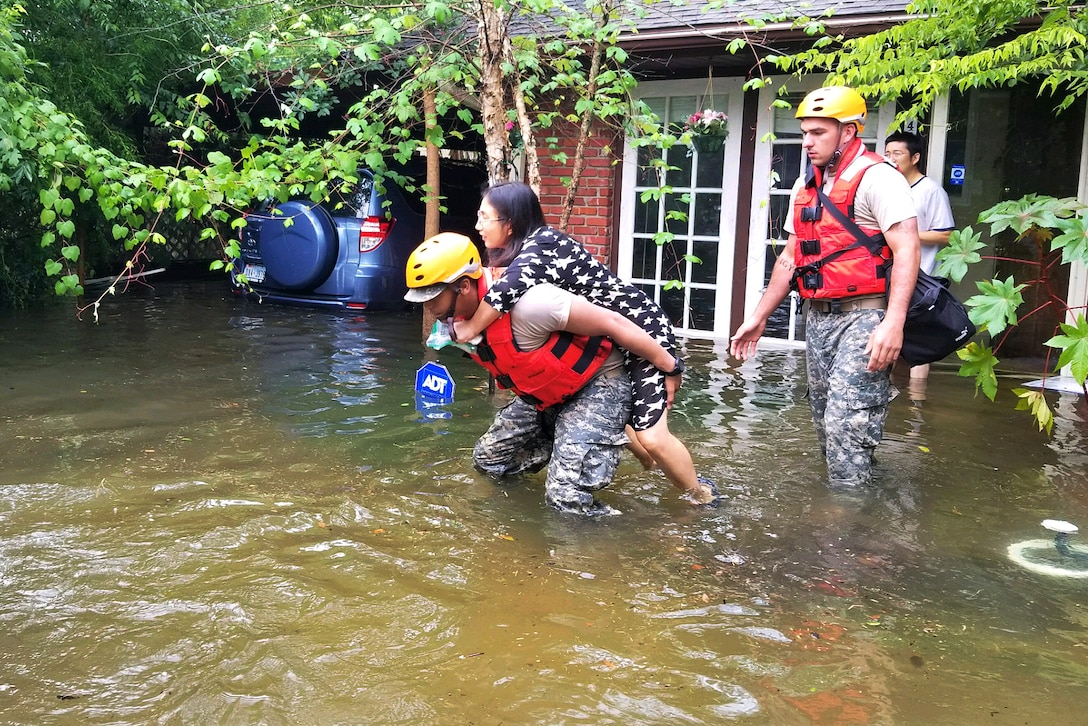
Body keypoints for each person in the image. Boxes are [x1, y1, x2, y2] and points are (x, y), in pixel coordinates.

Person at [404, 232, 720, 515]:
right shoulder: (457, 323)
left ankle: (640, 528)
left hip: (599, 386)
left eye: (433, 297)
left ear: (464, 286)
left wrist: (671, 365)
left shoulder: (532, 304)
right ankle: (521, 514)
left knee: (565, 496)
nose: (428, 307)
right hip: (548, 396)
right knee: (489, 461)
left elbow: (616, 323)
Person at [730, 86, 921, 489]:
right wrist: (758, 318)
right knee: (824, 426)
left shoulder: (878, 179)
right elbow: (790, 258)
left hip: (866, 316)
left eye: (818, 132)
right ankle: (853, 506)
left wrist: (894, 323)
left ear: (849, 132)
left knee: (847, 425)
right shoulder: (806, 188)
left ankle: (850, 529)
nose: (807, 141)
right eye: (804, 132)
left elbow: (907, 250)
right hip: (817, 319)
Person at [884, 130, 956, 383]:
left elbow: (946, 235)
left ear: (914, 157)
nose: (891, 158)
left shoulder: (931, 191)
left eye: (897, 153)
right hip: (889, 275)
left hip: (923, 277)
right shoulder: (888, 188)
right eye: (887, 153)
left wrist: (905, 234)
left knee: (918, 341)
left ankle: (917, 407)